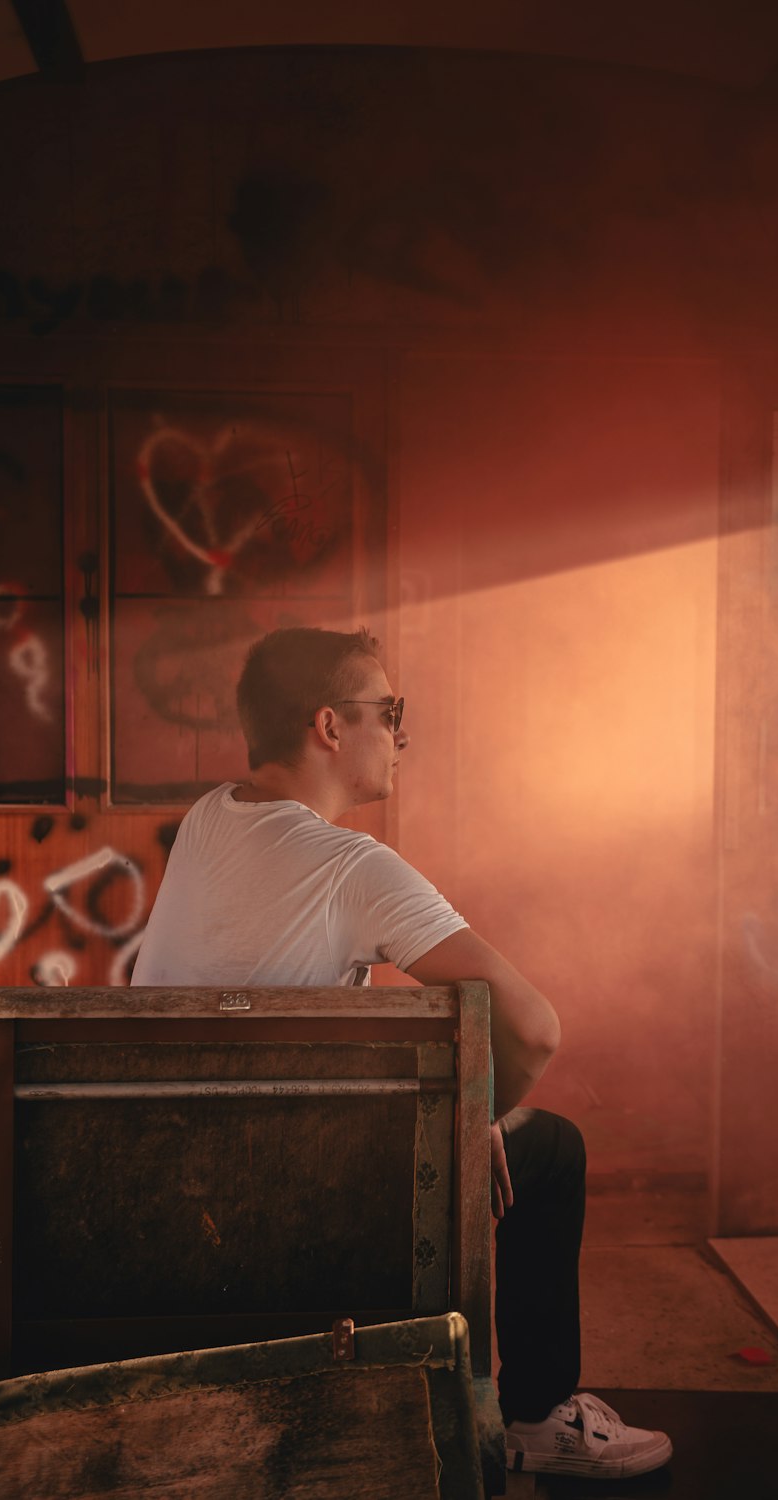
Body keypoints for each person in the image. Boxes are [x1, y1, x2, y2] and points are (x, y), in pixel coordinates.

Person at [132, 626, 672, 1480]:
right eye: (389, 711)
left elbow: (288, 994)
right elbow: (534, 1027)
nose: (401, 735)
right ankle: (534, 1420)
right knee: (553, 1148)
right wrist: (474, 1114)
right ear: (329, 726)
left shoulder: (207, 821)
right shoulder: (352, 866)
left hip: (167, 1189)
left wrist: (461, 1098)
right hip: (295, 1203)